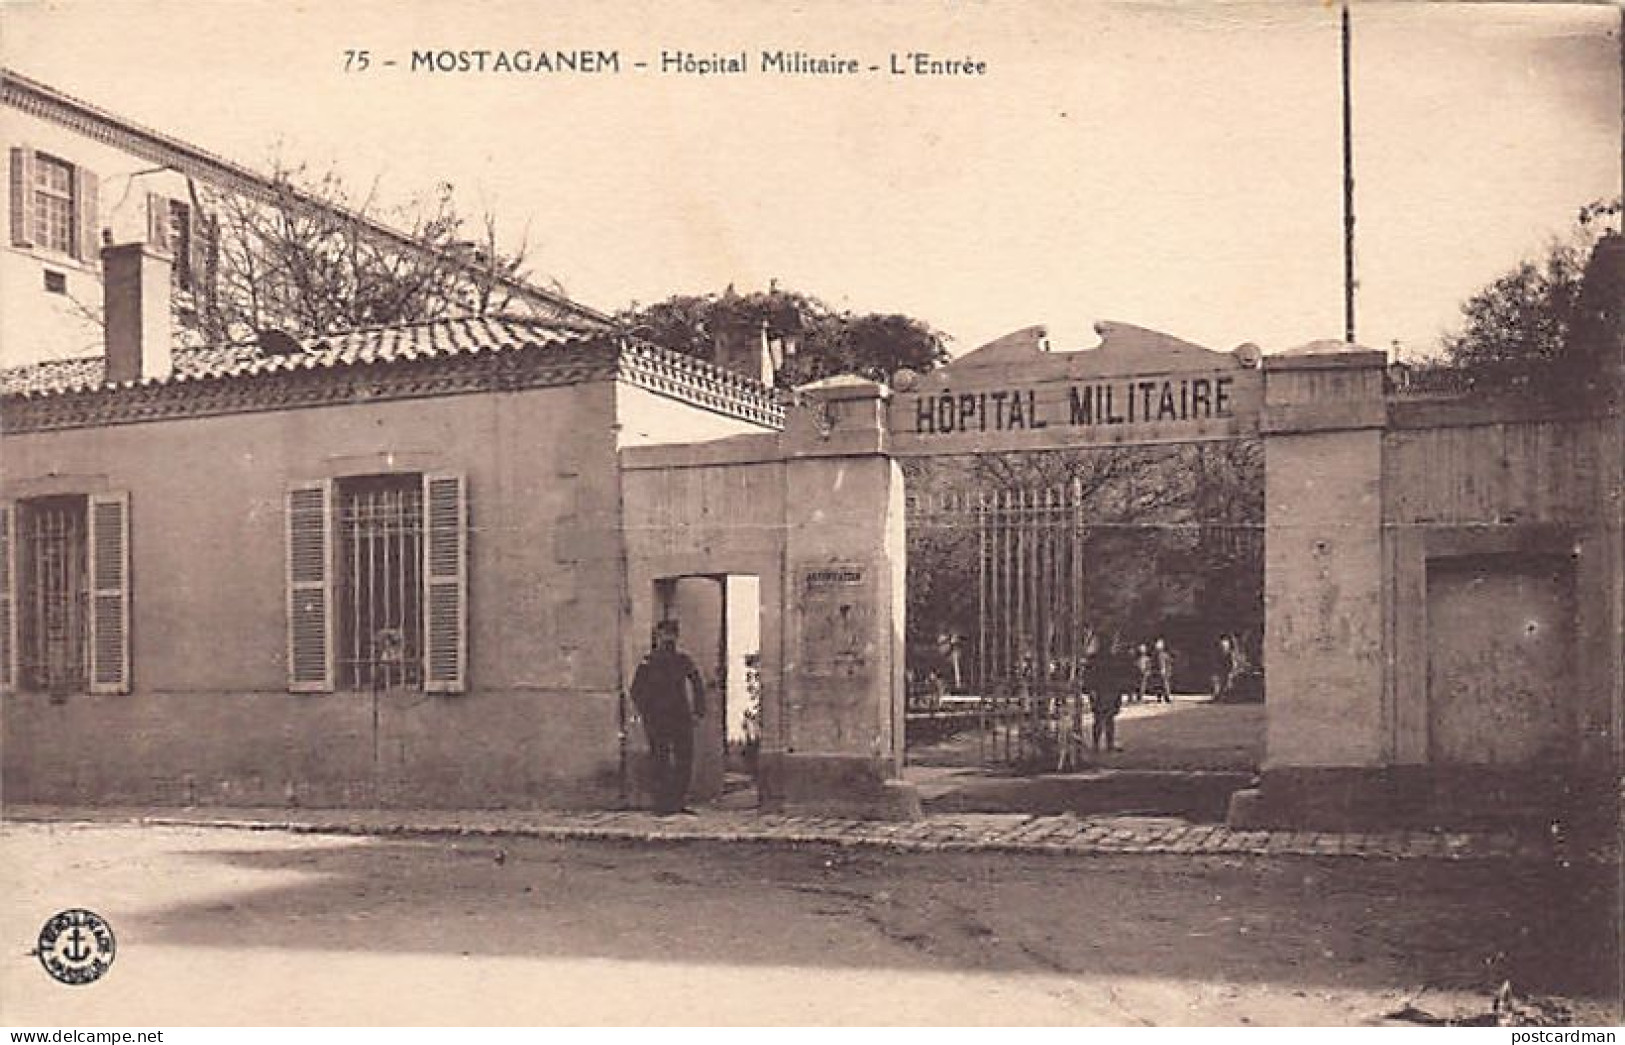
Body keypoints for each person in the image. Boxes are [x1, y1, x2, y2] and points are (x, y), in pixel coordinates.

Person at [629, 620, 706, 815]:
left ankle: (678, 802)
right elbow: (636, 690)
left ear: (676, 637)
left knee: (684, 759)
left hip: (680, 716)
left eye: (672, 634)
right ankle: (662, 804)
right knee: (659, 759)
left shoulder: (683, 660)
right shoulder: (649, 662)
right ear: (657, 636)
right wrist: (647, 712)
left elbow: (697, 684)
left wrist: (698, 711)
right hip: (657, 718)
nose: (668, 638)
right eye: (664, 634)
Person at [1089, 636, 1127, 753]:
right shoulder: (1112, 660)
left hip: (1103, 690)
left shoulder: (1096, 659)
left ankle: (1098, 744)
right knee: (1107, 718)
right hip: (1108, 690)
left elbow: (1091, 677)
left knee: (1100, 718)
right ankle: (1107, 744)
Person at [1151, 637, 1174, 704]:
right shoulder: (1154, 655)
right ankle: (1159, 698)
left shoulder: (1165, 655)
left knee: (1165, 685)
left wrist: (1168, 671)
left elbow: (1168, 664)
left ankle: (1167, 697)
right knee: (1158, 685)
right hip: (1157, 672)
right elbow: (1153, 664)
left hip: (1164, 673)